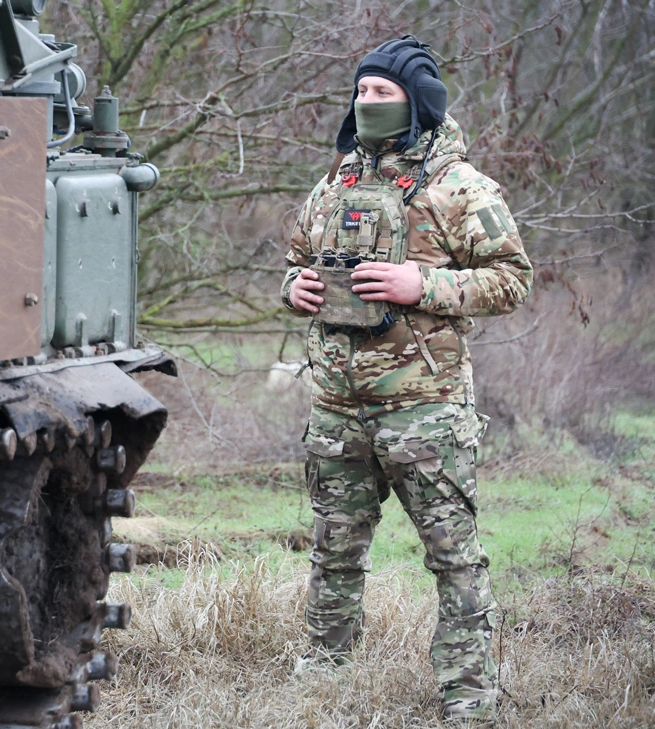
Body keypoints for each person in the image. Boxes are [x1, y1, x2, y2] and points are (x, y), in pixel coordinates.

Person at [280, 36, 533, 722]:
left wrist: (422, 282)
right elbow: (297, 258)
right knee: (333, 552)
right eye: (360, 92)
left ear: (416, 103)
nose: (367, 103)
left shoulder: (460, 187)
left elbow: (513, 279)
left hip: (425, 411)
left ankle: (468, 693)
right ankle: (324, 670)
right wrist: (294, 288)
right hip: (337, 406)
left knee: (454, 558)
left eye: (382, 93)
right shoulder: (335, 183)